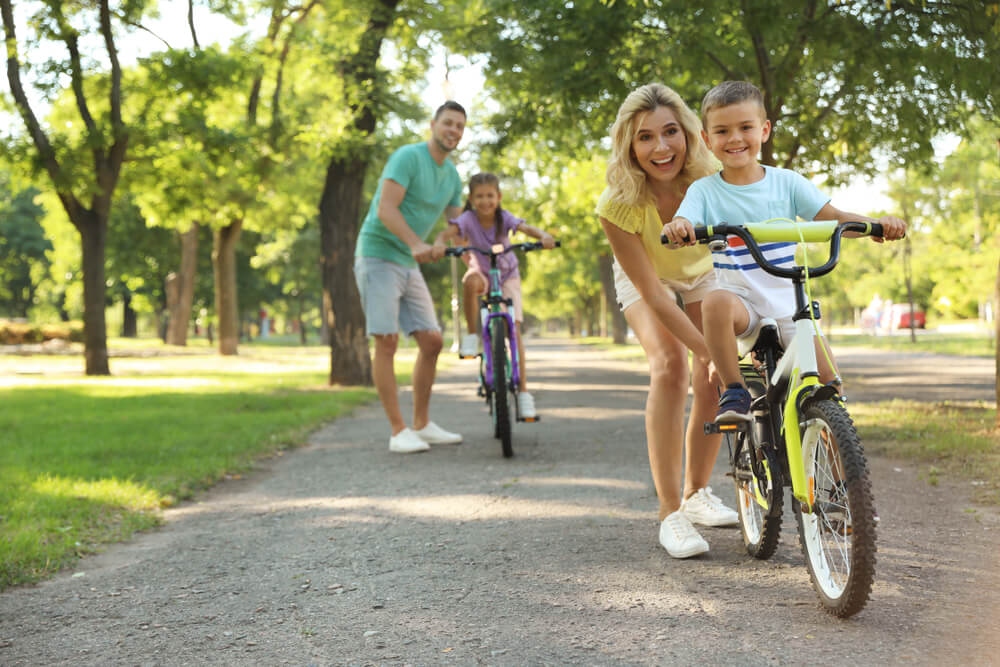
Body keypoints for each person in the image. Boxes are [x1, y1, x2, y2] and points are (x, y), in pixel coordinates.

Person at [662, 80, 907, 423]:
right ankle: (734, 388)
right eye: (722, 131)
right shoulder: (705, 191)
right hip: (742, 306)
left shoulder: (788, 183)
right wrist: (678, 228)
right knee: (715, 300)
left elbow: (834, 219)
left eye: (745, 127)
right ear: (706, 139)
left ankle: (839, 475)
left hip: (790, 307)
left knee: (832, 392)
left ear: (764, 130)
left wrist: (876, 225)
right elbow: (684, 219)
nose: (734, 138)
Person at [597, 83, 739, 560]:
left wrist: (715, 354)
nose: (661, 148)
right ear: (629, 145)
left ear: (688, 133)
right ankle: (669, 512)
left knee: (713, 377)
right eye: (645, 138)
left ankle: (698, 493)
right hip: (647, 280)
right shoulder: (617, 204)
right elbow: (656, 297)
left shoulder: (713, 178)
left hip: (701, 270)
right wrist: (704, 348)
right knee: (672, 366)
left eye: (670, 132)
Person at [354, 100, 468, 454]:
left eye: (460, 126)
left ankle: (422, 424)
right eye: (448, 123)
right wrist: (417, 243)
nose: (453, 131)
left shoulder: (451, 176)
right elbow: (385, 209)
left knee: (432, 341)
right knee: (386, 341)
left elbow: (458, 225)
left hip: (408, 259)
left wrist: (442, 241)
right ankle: (398, 430)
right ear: (433, 125)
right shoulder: (408, 157)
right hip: (378, 254)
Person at [434, 172, 556, 419]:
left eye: (490, 195)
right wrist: (438, 243)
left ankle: (523, 394)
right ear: (471, 198)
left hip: (507, 275)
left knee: (515, 330)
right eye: (479, 196)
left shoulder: (504, 217)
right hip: (482, 272)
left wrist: (543, 236)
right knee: (469, 280)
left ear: (498, 197)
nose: (485, 201)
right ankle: (471, 335)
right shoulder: (467, 219)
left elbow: (525, 227)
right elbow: (446, 235)